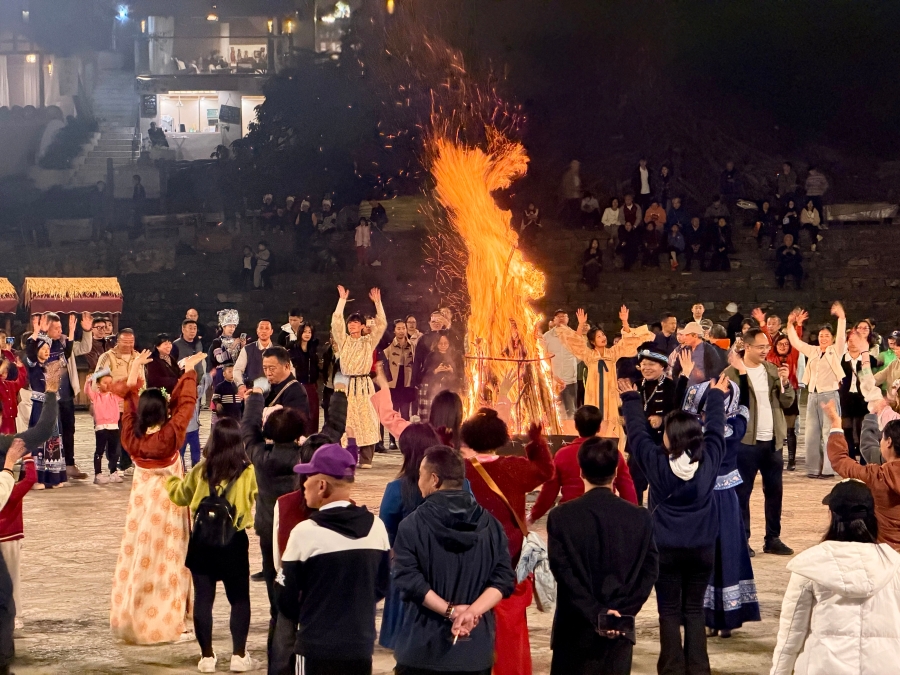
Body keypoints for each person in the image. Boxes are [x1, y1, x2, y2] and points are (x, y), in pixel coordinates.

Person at [620, 374, 730, 675]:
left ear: (670, 439)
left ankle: (671, 669)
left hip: (665, 549)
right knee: (694, 610)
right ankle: (698, 668)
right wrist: (716, 396)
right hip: (702, 549)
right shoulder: (709, 460)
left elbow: (638, 435)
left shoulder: (656, 463)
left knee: (668, 611)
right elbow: (716, 430)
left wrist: (631, 400)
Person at [109, 348, 207, 644]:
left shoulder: (131, 437)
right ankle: (172, 620)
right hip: (168, 505)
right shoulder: (169, 436)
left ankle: (134, 613)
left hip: (141, 506)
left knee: (139, 555)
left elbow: (129, 404)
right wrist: (189, 372)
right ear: (164, 412)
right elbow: (186, 405)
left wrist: (135, 370)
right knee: (170, 558)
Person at [391, 444, 516, 675]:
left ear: (434, 480)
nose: (419, 482)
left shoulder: (412, 525)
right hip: (475, 652)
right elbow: (504, 579)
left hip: (422, 650)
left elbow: (408, 579)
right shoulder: (492, 525)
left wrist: (451, 612)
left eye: (421, 475)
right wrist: (471, 612)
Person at [547, 437, 658, 675]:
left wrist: (596, 612)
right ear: (616, 472)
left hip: (575, 628)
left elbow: (563, 572)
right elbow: (650, 571)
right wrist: (622, 613)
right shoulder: (640, 517)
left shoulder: (561, 517)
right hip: (618, 630)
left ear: (580, 471)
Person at [277, 443, 390, 675]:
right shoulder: (376, 527)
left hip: (315, 647)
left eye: (307, 477)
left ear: (321, 485)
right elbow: (381, 586)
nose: (303, 484)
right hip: (359, 647)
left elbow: (285, 599)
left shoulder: (305, 532)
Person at [769, 480, 900, 675]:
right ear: (872, 516)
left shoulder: (809, 566)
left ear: (832, 515)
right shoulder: (894, 564)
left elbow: (791, 635)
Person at [460, 414, 552, 675]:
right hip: (510, 559)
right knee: (511, 628)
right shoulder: (515, 467)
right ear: (502, 438)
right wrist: (536, 442)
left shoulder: (460, 471)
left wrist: (445, 443)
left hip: (470, 559)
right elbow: (546, 471)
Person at [166, 417, 258, 673]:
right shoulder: (248, 472)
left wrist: (170, 480)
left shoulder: (201, 470)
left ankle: (207, 657)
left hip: (202, 543)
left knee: (203, 600)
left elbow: (180, 496)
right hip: (233, 541)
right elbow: (254, 498)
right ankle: (239, 655)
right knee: (239, 599)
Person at [678, 358, 760, 638]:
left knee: (704, 553)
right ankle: (725, 619)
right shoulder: (735, 426)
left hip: (702, 499)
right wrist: (743, 375)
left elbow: (683, 411)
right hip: (725, 500)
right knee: (726, 551)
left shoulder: (696, 432)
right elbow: (745, 405)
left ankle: (706, 616)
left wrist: (686, 379)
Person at [725, 327, 795, 556]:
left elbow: (787, 402)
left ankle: (773, 538)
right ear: (746, 346)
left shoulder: (772, 370)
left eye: (767, 346)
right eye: (760, 347)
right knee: (742, 493)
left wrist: (785, 383)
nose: (765, 351)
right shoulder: (732, 373)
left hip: (772, 441)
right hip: (745, 441)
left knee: (774, 492)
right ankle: (741, 539)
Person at [378, 424, 442, 649]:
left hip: (406, 568)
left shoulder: (397, 488)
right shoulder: (458, 485)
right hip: (445, 567)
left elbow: (386, 530)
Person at [556, 306, 651, 445]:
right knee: (592, 419)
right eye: (599, 336)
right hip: (593, 394)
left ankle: (614, 449)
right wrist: (581, 324)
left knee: (612, 421)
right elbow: (576, 343)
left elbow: (627, 341)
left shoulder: (612, 353)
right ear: (592, 341)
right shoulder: (589, 355)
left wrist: (625, 322)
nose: (603, 338)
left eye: (603, 335)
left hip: (609, 395)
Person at [530, 404, 638, 523]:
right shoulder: (612, 453)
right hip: (605, 516)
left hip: (570, 517)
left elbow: (549, 491)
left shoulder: (562, 454)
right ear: (599, 427)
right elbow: (627, 488)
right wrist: (634, 517)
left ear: (576, 426)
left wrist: (533, 515)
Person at [824, 399, 900, 551]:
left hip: (884, 554)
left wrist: (836, 424)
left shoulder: (876, 476)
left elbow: (840, 460)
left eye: (882, 439)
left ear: (889, 442)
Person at [28, 311, 92, 481]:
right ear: (46, 328)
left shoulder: (63, 342)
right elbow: (31, 355)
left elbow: (80, 348)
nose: (59, 331)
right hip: (46, 399)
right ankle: (44, 472)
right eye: (55, 328)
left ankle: (68, 465)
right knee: (48, 434)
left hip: (65, 395)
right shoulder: (38, 348)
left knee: (68, 430)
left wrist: (83, 331)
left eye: (60, 327)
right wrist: (40, 332)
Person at [787, 304, 847, 478]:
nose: (823, 338)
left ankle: (828, 469)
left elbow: (841, 336)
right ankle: (813, 468)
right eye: (821, 335)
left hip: (830, 395)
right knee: (812, 434)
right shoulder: (813, 351)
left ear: (832, 338)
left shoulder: (836, 350)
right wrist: (790, 324)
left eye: (827, 336)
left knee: (829, 432)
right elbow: (796, 343)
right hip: (813, 395)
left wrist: (841, 318)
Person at [332, 286, 387, 469]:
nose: (352, 325)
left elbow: (381, 325)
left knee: (368, 419)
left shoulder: (368, 341)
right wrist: (341, 301)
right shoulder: (344, 341)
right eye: (350, 323)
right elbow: (336, 323)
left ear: (362, 326)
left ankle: (366, 458)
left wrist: (378, 303)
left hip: (364, 384)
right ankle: (347, 456)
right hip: (347, 384)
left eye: (356, 323)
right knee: (347, 419)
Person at [629, 345, 679, 505]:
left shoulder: (672, 387)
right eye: (644, 364)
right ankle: (636, 513)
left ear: (662, 366)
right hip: (639, 444)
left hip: (662, 445)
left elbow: (679, 415)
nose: (646, 368)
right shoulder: (635, 385)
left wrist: (663, 420)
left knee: (661, 485)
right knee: (634, 483)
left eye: (651, 364)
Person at [839, 331, 878, 460]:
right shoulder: (841, 359)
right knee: (847, 429)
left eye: (856, 341)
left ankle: (863, 460)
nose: (853, 344)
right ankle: (850, 459)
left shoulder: (869, 359)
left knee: (862, 430)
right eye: (850, 341)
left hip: (863, 398)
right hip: (846, 398)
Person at [768, 332, 802, 470]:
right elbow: (768, 340)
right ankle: (777, 459)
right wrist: (763, 324)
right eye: (780, 344)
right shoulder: (771, 357)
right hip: (775, 394)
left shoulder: (793, 356)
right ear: (775, 345)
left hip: (790, 392)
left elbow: (796, 340)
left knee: (790, 429)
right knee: (776, 429)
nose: (783, 346)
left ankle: (791, 460)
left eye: (786, 344)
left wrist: (796, 325)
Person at [83, 369, 122, 485]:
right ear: (98, 384)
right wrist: (88, 381)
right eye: (105, 383)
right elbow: (87, 390)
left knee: (114, 451)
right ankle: (98, 474)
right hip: (101, 428)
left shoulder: (114, 396)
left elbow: (126, 394)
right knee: (99, 451)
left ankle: (113, 472)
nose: (108, 385)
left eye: (110, 382)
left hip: (114, 427)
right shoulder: (96, 396)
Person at [382, 320, 416, 443]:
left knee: (405, 413)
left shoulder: (412, 346)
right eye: (399, 328)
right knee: (394, 413)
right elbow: (384, 364)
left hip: (406, 382)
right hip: (393, 383)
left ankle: (405, 440)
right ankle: (392, 440)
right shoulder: (389, 346)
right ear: (394, 331)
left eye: (403, 328)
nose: (401, 331)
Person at [544, 310, 579, 422]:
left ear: (568, 319)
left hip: (570, 380)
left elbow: (580, 355)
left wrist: (572, 365)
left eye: (564, 316)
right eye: (558, 316)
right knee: (554, 411)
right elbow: (543, 356)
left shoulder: (574, 335)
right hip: (553, 380)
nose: (561, 318)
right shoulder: (547, 337)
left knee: (571, 411)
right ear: (554, 320)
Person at [284, 323, 319, 431]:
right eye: (305, 331)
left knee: (313, 415)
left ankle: (312, 437)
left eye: (309, 332)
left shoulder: (313, 349)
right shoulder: (292, 348)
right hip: (298, 385)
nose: (307, 334)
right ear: (300, 333)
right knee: (299, 414)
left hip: (311, 385)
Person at [671, 321, 726, 386]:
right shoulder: (684, 350)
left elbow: (717, 370)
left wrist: (705, 382)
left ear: (695, 335)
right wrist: (679, 384)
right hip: (685, 389)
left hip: (703, 388)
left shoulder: (709, 350)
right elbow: (675, 372)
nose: (684, 337)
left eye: (687, 335)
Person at [233, 319, 275, 391]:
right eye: (261, 328)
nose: (264, 331)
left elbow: (289, 369)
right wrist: (240, 385)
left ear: (271, 331)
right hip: (252, 391)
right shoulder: (247, 349)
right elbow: (237, 369)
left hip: (275, 391)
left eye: (267, 328)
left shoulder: (279, 350)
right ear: (257, 331)